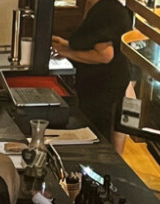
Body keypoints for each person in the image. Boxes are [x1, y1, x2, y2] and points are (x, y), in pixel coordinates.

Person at [50, 0, 132, 153]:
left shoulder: (105, 10)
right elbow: (93, 42)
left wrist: (67, 52)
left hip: (104, 84)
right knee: (107, 129)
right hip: (111, 80)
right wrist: (67, 44)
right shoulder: (104, 7)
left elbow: (104, 55)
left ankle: (105, 163)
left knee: (98, 135)